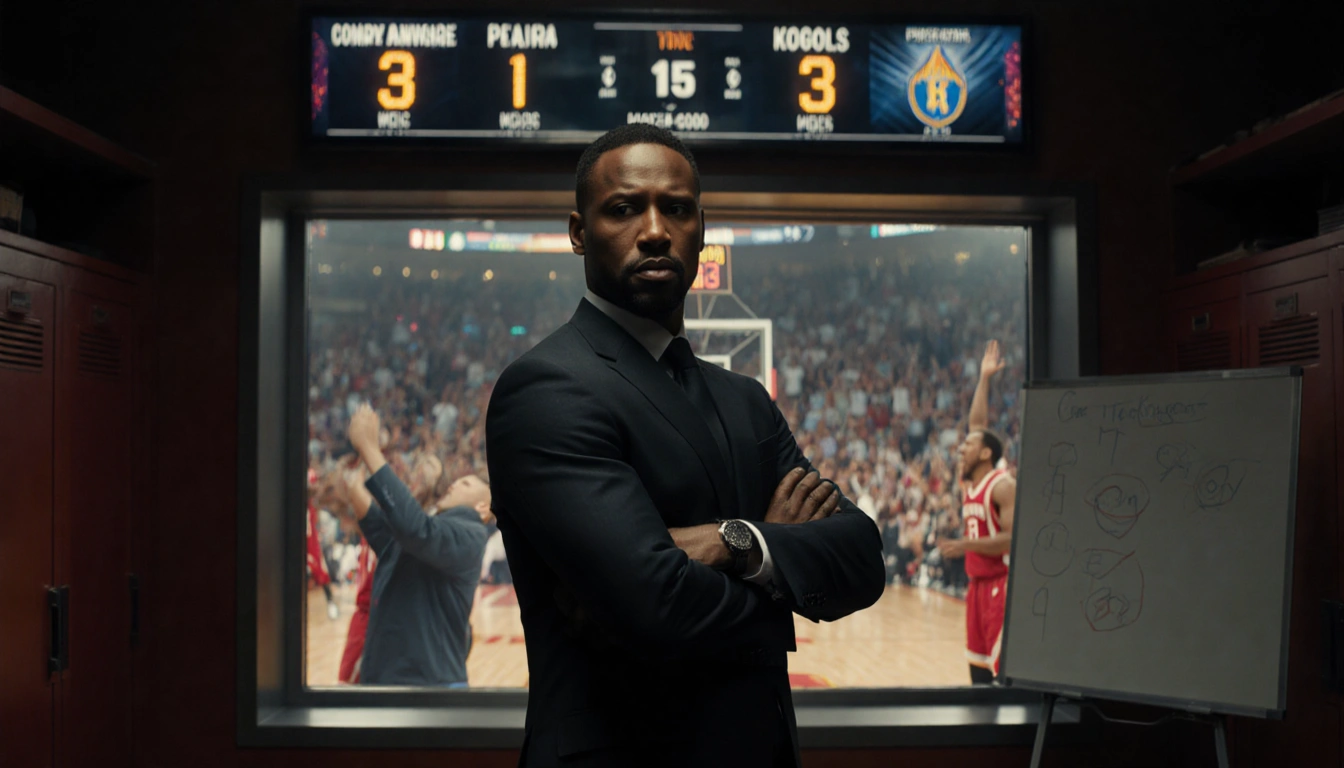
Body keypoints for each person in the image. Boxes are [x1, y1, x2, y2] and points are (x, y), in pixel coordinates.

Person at [485, 123, 886, 768]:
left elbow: (863, 557)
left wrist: (734, 541)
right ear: (578, 231)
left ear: (701, 227)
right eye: (623, 208)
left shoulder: (744, 397)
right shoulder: (546, 388)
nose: (653, 229)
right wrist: (780, 560)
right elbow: (652, 605)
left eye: (676, 207)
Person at [343, 404, 491, 687]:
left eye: (466, 484)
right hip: (390, 680)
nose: (454, 485)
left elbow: (416, 529)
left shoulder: (471, 534)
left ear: (483, 507)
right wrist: (354, 486)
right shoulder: (433, 530)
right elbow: (385, 534)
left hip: (428, 689)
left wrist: (371, 448)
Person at [938, 339, 1017, 684]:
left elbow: (1011, 541)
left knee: (1001, 676)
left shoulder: (1002, 485)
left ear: (986, 454)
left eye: (969, 446)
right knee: (978, 674)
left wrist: (966, 545)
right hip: (975, 588)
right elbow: (976, 425)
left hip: (1001, 586)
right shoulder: (969, 481)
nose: (961, 448)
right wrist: (984, 379)